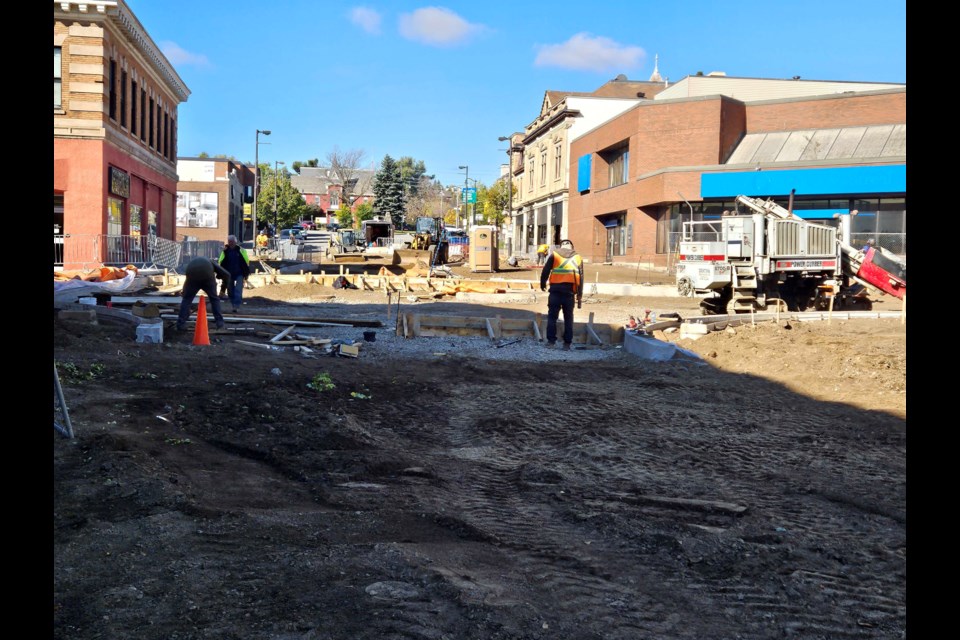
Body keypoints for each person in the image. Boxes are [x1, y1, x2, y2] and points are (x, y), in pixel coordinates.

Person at [539, 239, 584, 351]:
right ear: (571, 247)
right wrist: (579, 294)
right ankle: (567, 344)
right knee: (568, 318)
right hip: (569, 292)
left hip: (555, 291)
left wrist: (542, 283)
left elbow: (546, 270)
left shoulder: (554, 255)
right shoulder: (577, 257)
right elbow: (581, 277)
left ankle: (551, 342)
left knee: (552, 317)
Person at [176, 257, 228, 332]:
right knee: (214, 299)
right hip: (206, 274)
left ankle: (180, 324)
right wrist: (222, 292)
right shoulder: (212, 264)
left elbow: (187, 280)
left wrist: (185, 292)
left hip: (191, 273)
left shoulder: (196, 262)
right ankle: (220, 324)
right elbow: (227, 275)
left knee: (187, 300)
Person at [219, 234, 251, 313]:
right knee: (230, 289)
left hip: (239, 273)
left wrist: (246, 272)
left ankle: (237, 305)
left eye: (232, 241)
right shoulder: (225, 251)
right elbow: (220, 261)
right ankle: (233, 304)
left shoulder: (241, 250)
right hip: (229, 273)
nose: (230, 243)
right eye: (229, 241)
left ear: (235, 242)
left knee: (238, 289)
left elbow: (246, 261)